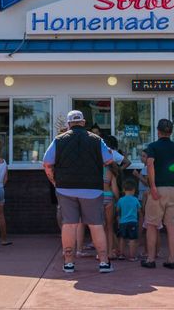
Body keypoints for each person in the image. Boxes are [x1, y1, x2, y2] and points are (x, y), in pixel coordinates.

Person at [42, 109, 119, 274]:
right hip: (92, 189)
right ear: (84, 123)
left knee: (69, 225)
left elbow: (47, 163)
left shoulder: (58, 140)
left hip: (65, 188)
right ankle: (104, 263)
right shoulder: (96, 140)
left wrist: (54, 181)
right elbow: (109, 160)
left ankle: (69, 263)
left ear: (69, 125)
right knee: (96, 225)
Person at [142, 118, 174, 270]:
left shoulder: (153, 147)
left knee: (151, 225)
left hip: (159, 190)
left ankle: (150, 259)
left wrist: (153, 186)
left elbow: (150, 164)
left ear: (158, 131)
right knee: (171, 225)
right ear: (171, 132)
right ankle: (172, 259)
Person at [116, 178, 142, 261]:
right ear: (134, 189)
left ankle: (121, 255)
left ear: (123, 189)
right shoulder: (135, 199)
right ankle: (132, 256)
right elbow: (139, 210)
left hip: (122, 222)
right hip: (133, 222)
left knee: (122, 238)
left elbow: (117, 210)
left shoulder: (120, 200)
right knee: (132, 239)